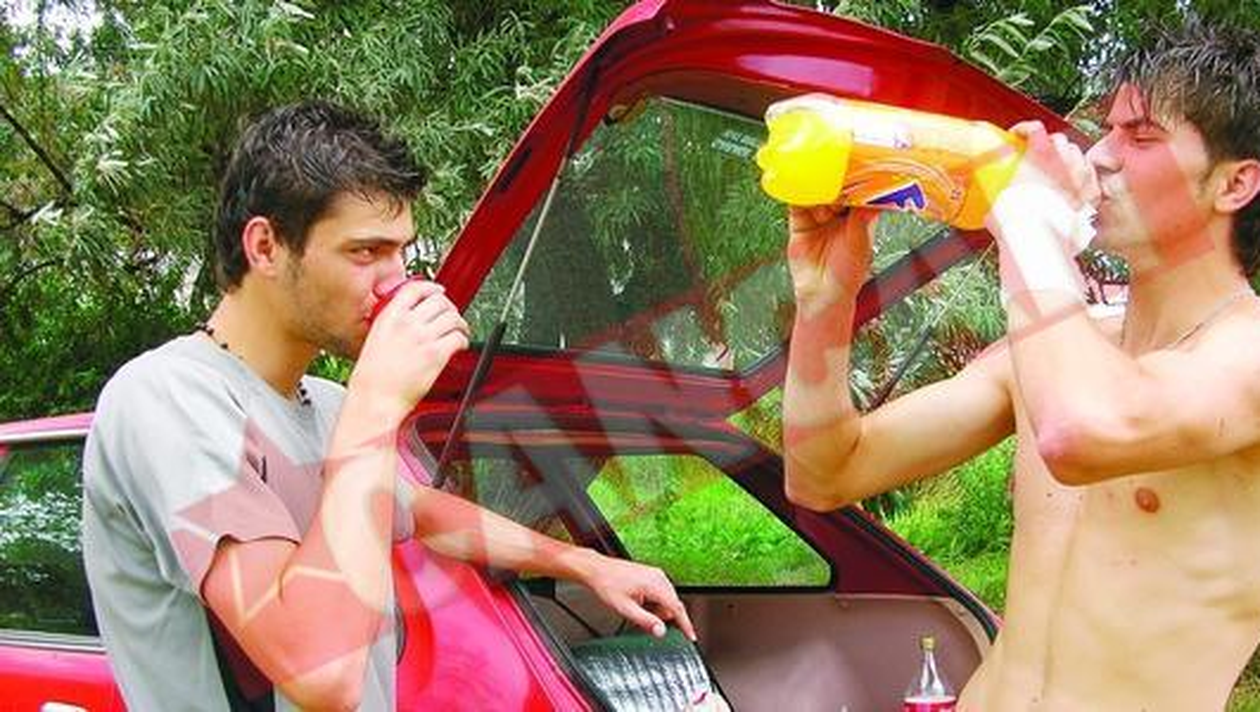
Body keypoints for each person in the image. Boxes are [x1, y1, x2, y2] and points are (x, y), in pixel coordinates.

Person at [82, 100, 694, 711]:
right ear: (265, 247)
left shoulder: (327, 405)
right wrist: (375, 406)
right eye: (365, 252)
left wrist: (586, 565)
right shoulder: (166, 399)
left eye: (401, 252)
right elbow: (323, 676)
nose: (396, 282)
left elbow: (425, 512)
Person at [782, 20, 1260, 711]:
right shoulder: (1057, 351)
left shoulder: (1246, 350)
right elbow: (824, 474)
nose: (1101, 156)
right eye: (1106, 130)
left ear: (1236, 183)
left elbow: (1079, 431)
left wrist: (1028, 219)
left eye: (1141, 137)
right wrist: (826, 303)